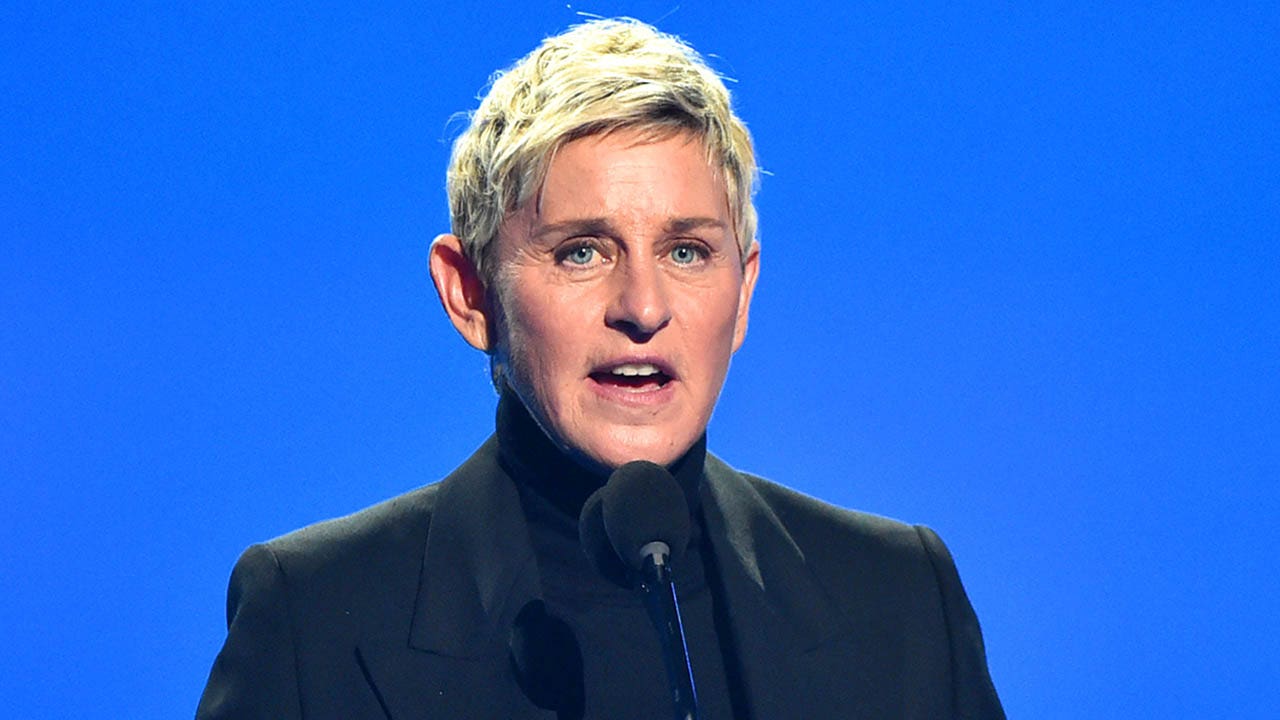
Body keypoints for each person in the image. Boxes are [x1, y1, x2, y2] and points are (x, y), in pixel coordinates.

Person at [196, 18, 1005, 720]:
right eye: (582, 252)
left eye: (687, 251)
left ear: (744, 292)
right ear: (470, 293)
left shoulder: (900, 601)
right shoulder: (314, 617)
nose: (643, 306)